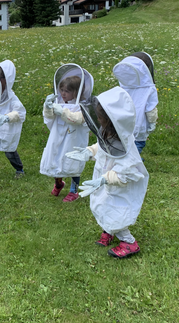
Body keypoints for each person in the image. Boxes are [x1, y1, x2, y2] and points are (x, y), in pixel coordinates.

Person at [66, 86, 149, 259]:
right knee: (102, 205)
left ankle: (129, 242)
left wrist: (105, 179)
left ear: (113, 120)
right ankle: (108, 230)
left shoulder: (126, 147)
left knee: (115, 211)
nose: (98, 120)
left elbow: (126, 174)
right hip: (103, 180)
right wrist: (90, 151)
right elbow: (103, 147)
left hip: (117, 186)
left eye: (101, 117)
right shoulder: (107, 131)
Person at [40, 64, 94, 202]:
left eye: (67, 91)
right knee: (54, 160)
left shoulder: (82, 106)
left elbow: (78, 119)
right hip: (57, 138)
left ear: (76, 92)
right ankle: (59, 183)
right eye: (62, 90)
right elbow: (49, 118)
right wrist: (47, 107)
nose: (63, 93)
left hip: (73, 140)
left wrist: (63, 112)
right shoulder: (59, 102)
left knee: (73, 163)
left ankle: (73, 190)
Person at [112, 51, 158, 155]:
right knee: (136, 147)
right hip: (139, 126)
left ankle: (127, 161)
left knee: (124, 145)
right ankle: (133, 163)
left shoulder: (123, 87)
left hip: (122, 124)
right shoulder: (149, 89)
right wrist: (152, 123)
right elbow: (151, 110)